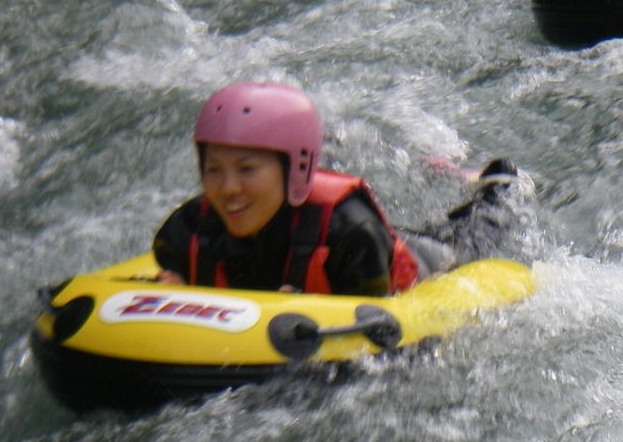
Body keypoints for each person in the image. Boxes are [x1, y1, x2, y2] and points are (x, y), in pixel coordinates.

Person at [152, 81, 516, 296]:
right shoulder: (186, 232)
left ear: (294, 169)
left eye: (247, 170)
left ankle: (499, 187)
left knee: (472, 236)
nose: (228, 188)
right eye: (214, 170)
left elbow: (385, 342)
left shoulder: (352, 236)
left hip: (426, 263)